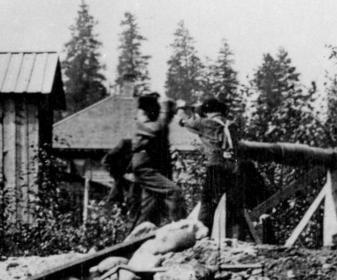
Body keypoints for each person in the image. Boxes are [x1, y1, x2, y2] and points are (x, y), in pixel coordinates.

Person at [177, 97, 251, 237]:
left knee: (208, 204)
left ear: (207, 111)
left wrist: (182, 112)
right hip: (234, 167)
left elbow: (184, 123)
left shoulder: (204, 123)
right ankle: (236, 238)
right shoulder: (231, 124)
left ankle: (202, 237)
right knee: (234, 205)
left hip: (216, 167)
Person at [130, 93, 182, 228]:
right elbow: (158, 127)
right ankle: (180, 227)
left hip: (152, 165)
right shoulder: (142, 119)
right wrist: (165, 107)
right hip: (145, 167)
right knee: (173, 191)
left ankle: (134, 240)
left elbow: (163, 125)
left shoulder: (153, 120)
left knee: (150, 207)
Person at [101, 138, 139, 217]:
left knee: (133, 201)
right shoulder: (124, 145)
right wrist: (122, 175)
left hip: (135, 181)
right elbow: (105, 162)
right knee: (114, 199)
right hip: (121, 177)